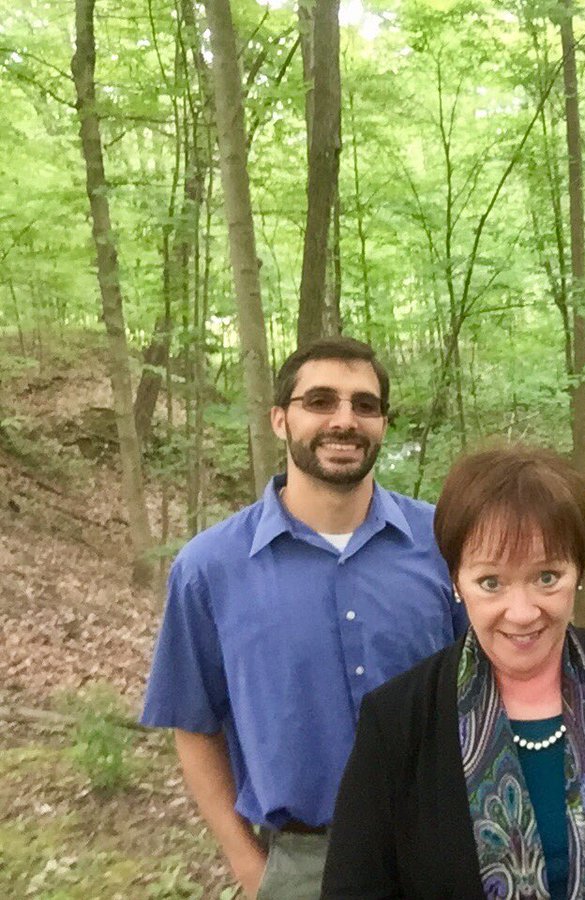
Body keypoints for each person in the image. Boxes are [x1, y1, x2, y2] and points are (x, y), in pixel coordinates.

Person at [321, 445, 585, 899]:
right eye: (491, 582)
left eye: (547, 577)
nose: (521, 613)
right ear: (456, 581)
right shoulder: (398, 720)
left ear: (578, 571)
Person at [141, 337, 466, 899]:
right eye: (320, 401)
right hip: (301, 866)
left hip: (446, 849)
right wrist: (248, 864)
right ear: (279, 419)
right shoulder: (210, 568)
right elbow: (194, 726)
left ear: (384, 424)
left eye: (364, 405)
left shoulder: (447, 544)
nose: (345, 420)